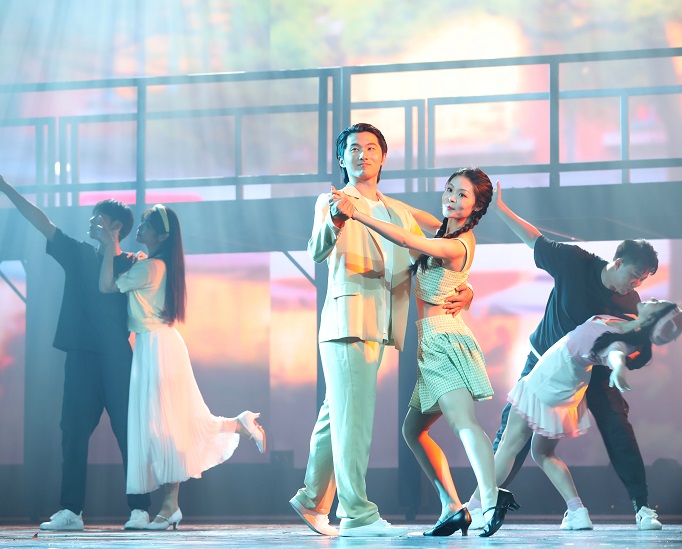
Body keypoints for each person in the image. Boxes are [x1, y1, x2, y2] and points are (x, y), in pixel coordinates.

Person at [288, 123, 474, 538]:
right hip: (349, 320)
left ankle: (312, 498)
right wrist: (335, 220)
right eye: (354, 148)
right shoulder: (333, 200)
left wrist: (466, 288)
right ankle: (356, 514)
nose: (363, 154)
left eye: (371, 148)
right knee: (353, 419)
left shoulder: (396, 211)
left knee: (339, 414)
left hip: (378, 323)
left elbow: (435, 252)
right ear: (342, 158)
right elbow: (316, 250)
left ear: (383, 157)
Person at [467, 181, 663, 531]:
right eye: (634, 277)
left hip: (579, 376)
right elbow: (535, 239)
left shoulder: (628, 305)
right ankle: (561, 510)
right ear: (618, 262)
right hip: (547, 367)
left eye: (642, 281)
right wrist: (501, 209)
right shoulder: (576, 262)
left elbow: (621, 348)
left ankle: (642, 508)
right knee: (529, 446)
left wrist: (622, 362)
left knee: (608, 429)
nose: (636, 285)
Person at [337, 167, 519, 537]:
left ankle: (489, 498)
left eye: (462, 195)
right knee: (413, 430)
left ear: (477, 205)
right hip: (431, 342)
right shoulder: (443, 230)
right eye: (449, 189)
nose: (452, 198)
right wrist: (370, 198)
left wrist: (357, 214)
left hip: (445, 342)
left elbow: (406, 238)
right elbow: (407, 213)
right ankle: (452, 507)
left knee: (463, 422)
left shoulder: (457, 243)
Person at [97, 203, 266, 530]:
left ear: (161, 235)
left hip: (156, 348)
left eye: (147, 224)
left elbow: (105, 286)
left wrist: (109, 246)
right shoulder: (156, 265)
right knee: (169, 425)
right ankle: (237, 425)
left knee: (168, 427)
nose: (141, 227)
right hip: (156, 345)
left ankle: (170, 505)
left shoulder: (149, 268)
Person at [0, 174, 152, 531]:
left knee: (129, 432)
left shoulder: (134, 263)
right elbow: (42, 222)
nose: (91, 220)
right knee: (72, 431)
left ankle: (140, 508)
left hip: (118, 359)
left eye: (99, 216)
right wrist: (6, 189)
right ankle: (71, 510)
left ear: (116, 225)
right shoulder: (78, 253)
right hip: (81, 358)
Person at [474, 298, 682, 530]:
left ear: (653, 318)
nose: (652, 299)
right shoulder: (626, 325)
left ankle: (477, 507)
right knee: (542, 453)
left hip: (551, 378)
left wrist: (618, 368)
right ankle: (577, 511)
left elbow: (615, 354)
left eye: (658, 303)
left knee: (508, 446)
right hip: (566, 386)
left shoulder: (623, 341)